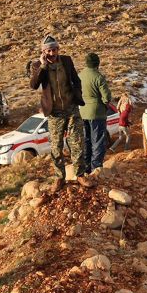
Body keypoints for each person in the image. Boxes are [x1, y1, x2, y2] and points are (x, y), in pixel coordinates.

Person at [29, 35, 90, 190]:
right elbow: (34, 85)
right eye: (49, 50)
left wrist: (77, 94)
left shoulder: (66, 61)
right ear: (43, 51)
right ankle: (59, 177)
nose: (53, 53)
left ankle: (80, 175)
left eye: (55, 49)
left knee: (77, 143)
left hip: (71, 109)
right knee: (56, 146)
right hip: (54, 112)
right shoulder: (37, 65)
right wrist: (42, 66)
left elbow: (76, 80)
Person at [79, 53, 112, 173]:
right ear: (97, 63)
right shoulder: (98, 77)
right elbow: (106, 97)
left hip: (83, 111)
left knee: (86, 140)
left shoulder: (80, 75)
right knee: (97, 140)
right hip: (97, 112)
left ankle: (85, 167)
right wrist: (105, 102)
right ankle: (96, 168)